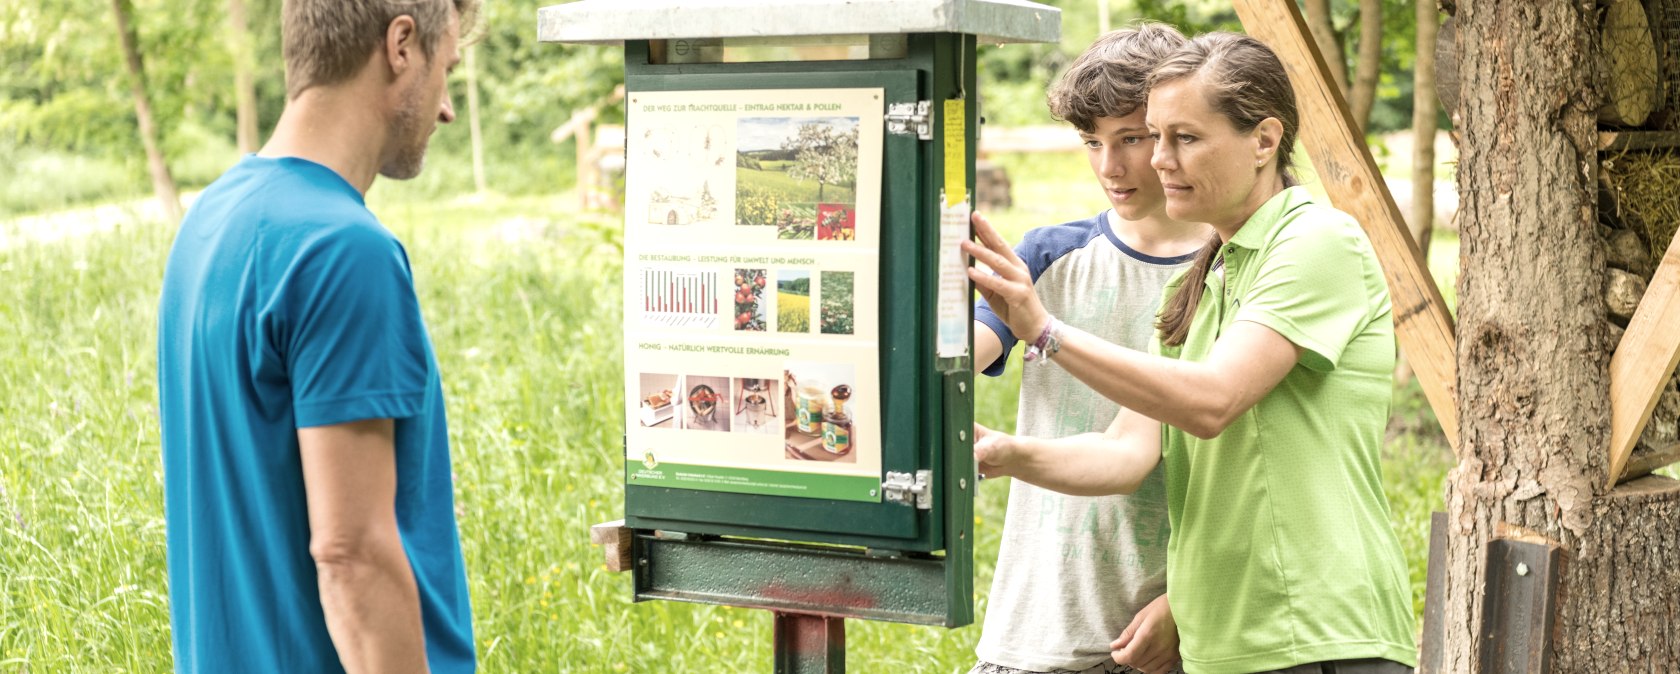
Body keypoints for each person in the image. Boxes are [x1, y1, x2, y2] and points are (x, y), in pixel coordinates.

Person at [964, 32, 1417, 674]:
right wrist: (1007, 454)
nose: (1159, 160)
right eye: (1156, 136)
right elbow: (1126, 451)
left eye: (1184, 138)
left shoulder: (1318, 241)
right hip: (1226, 645)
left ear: (1264, 141)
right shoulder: (1198, 286)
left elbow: (1213, 401)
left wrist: (1045, 332)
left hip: (1319, 636)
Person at [155, 1, 478, 671]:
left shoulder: (212, 218)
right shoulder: (342, 251)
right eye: (446, 67)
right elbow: (352, 555)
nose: (446, 108)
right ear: (400, 45)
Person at [970, 22, 1209, 674]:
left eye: (1130, 138)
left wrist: (1187, 602)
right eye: (1092, 142)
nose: (1110, 167)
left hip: (1165, 638)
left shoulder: (1230, 272)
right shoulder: (1049, 254)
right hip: (1037, 626)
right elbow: (955, 353)